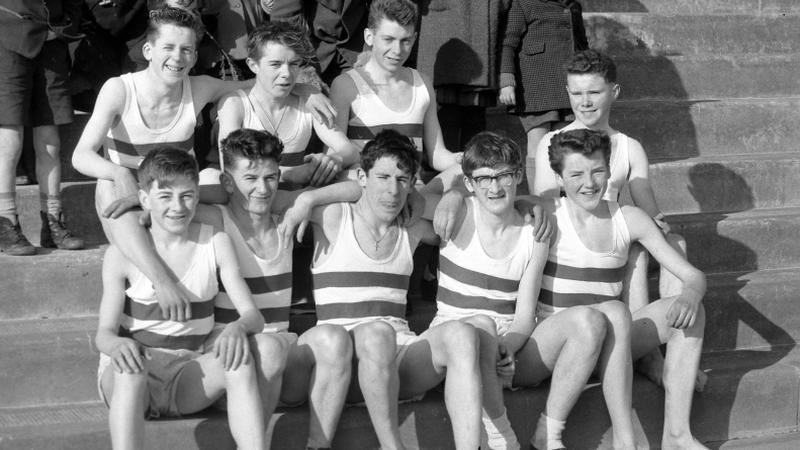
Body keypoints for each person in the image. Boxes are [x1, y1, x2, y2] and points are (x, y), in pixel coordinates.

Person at [71, 6, 332, 325]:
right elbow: (80, 155)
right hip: (130, 196)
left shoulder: (199, 87)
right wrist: (118, 172)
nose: (177, 58)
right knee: (108, 186)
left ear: (195, 56)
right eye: (168, 48)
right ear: (148, 50)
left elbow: (258, 82)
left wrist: (306, 90)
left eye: (186, 50)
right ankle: (160, 280)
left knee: (222, 179)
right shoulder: (120, 89)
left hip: (182, 196)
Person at [286, 129, 482, 450]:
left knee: (462, 335)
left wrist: (454, 195)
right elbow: (249, 195)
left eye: (403, 180)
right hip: (337, 364)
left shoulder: (413, 226)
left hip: (397, 361)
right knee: (376, 334)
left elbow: (472, 183)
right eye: (383, 177)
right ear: (362, 176)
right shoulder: (334, 216)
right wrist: (309, 197)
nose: (392, 191)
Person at [428, 132, 613, 450]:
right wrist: (452, 195)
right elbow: (408, 196)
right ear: (470, 183)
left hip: (505, 350)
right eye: (484, 178)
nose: (495, 187)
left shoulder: (533, 233)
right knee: (479, 328)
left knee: (590, 321)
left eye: (503, 176)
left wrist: (509, 347)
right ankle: (503, 439)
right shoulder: (458, 212)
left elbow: (525, 316)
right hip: (454, 346)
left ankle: (549, 435)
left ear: (517, 176)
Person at [531, 49, 700, 391]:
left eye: (594, 92)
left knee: (671, 242)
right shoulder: (553, 143)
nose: (585, 102)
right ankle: (648, 354)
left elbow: (649, 207)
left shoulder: (628, 147)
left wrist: (659, 227)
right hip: (577, 245)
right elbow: (546, 205)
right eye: (576, 93)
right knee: (634, 254)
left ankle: (663, 347)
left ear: (614, 92)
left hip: (618, 234)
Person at [543, 129, 707, 449]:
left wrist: (690, 294)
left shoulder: (628, 219)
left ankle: (677, 434)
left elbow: (693, 276)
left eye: (598, 171)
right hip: (562, 346)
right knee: (601, 318)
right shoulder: (548, 215)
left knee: (693, 312)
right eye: (576, 174)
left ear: (610, 170)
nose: (589, 183)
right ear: (559, 178)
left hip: (612, 346)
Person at [94, 148, 267, 450]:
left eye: (187, 195)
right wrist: (118, 344)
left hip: (189, 372)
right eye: (165, 197)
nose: (178, 207)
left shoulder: (215, 242)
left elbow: (253, 315)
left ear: (198, 196)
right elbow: (103, 335)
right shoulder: (122, 254)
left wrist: (238, 328)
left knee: (239, 361)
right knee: (129, 369)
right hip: (135, 373)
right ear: (144, 200)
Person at [196, 128, 354, 449]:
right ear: (228, 182)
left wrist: (307, 197)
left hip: (282, 363)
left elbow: (357, 189)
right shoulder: (216, 218)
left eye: (270, 178)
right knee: (267, 347)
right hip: (233, 364)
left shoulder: (285, 213)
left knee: (334, 339)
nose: (262, 188)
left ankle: (317, 445)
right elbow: (169, 201)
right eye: (250, 178)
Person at [211, 21, 360, 193]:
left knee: (355, 174)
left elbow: (349, 150)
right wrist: (290, 174)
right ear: (253, 65)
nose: (287, 74)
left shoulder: (309, 102)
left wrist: (334, 159)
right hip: (249, 197)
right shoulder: (235, 103)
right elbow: (230, 167)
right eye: (275, 64)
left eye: (294, 64)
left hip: (295, 198)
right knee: (209, 176)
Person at [329, 0, 461, 179]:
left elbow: (437, 155)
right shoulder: (345, 86)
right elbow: (334, 157)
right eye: (388, 39)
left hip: (412, 190)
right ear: (369, 37)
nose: (397, 50)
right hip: (363, 193)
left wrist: (461, 160)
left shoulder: (423, 84)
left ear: (414, 39)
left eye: (405, 40)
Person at [0, 0, 85, 255]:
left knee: (50, 142)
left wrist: (64, 27)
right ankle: (7, 223)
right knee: (9, 141)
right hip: (8, 40)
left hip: (52, 43)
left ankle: (53, 222)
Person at [498, 0, 588, 195]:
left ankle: (565, 197)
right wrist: (507, 80)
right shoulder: (524, 3)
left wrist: (587, 79)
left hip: (567, 86)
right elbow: (507, 43)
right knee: (538, 144)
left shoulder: (573, 6)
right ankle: (539, 198)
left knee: (565, 144)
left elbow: (582, 45)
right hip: (535, 87)